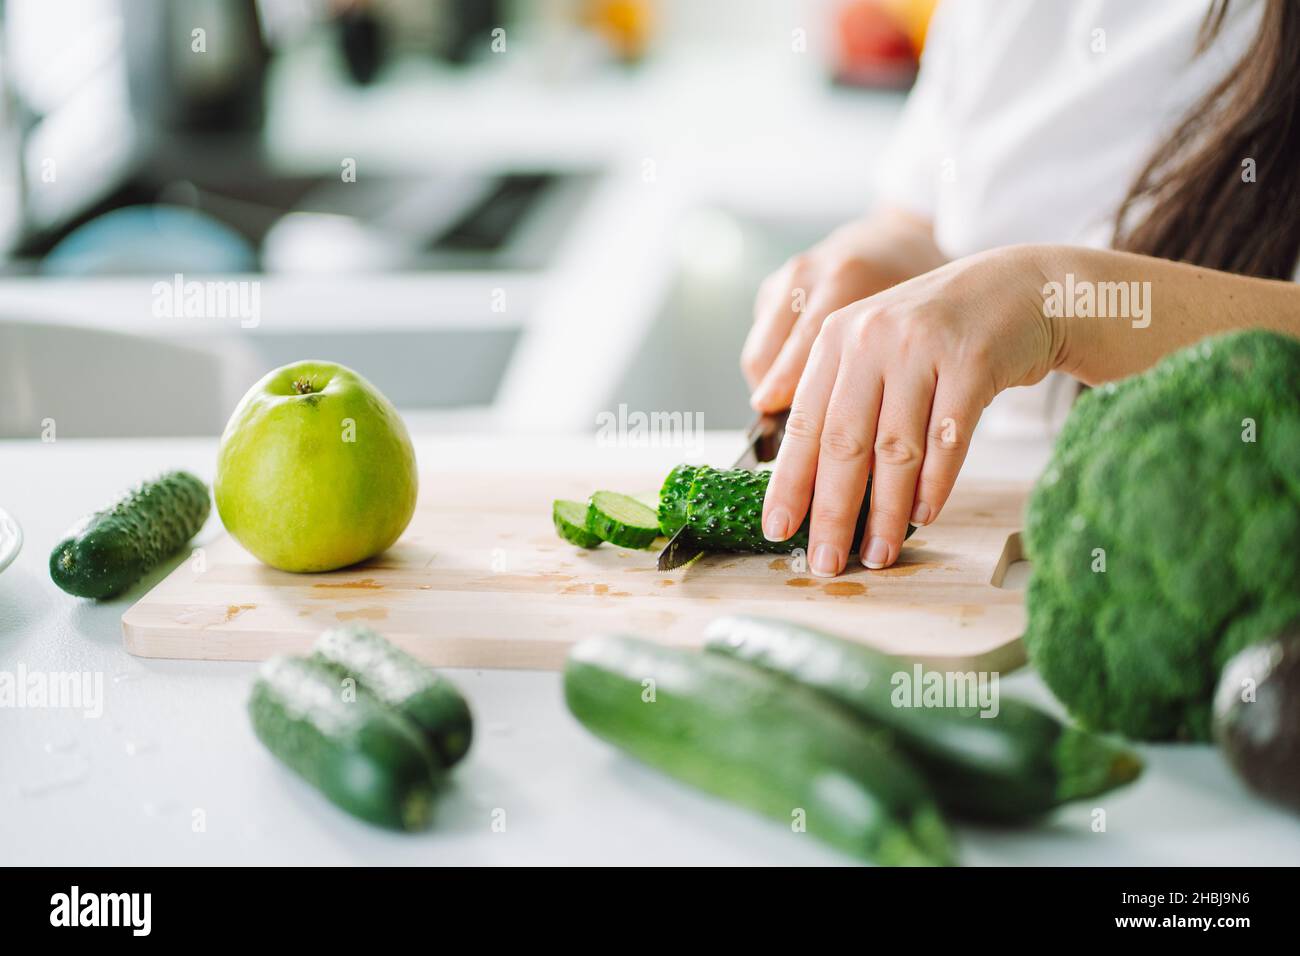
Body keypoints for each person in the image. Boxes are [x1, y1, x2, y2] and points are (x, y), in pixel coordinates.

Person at [744, 0, 1300, 577]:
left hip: (1211, 543)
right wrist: (883, 256)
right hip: (982, 533)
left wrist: (1057, 300)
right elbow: (926, 214)